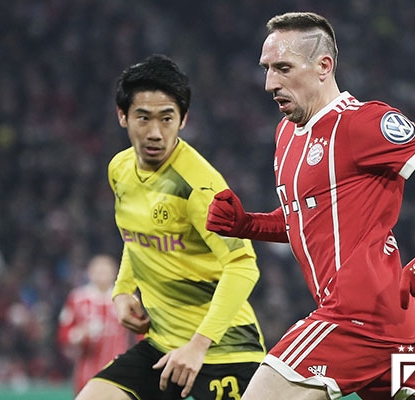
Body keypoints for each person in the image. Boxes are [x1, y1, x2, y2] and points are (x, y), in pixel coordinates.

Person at [206, 12, 415, 400]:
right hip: (392, 326)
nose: (270, 83)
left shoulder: (362, 122)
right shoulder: (286, 134)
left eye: (283, 68)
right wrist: (247, 225)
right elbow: (308, 220)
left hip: (355, 316)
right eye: (266, 69)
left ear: (323, 66)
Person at [75, 54, 266, 400]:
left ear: (183, 119)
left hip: (224, 351)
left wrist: (198, 345)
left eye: (166, 119)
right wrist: (122, 290)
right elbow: (138, 236)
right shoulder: (120, 169)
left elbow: (243, 265)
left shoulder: (200, 187)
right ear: (122, 116)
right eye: (143, 118)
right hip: (161, 346)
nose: (155, 133)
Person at [57, 254, 135, 395]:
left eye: (106, 271)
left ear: (115, 273)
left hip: (119, 371)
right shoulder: (77, 299)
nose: (102, 275)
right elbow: (63, 334)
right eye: (98, 271)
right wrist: (79, 334)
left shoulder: (126, 299)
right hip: (86, 373)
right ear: (89, 273)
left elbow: (141, 332)